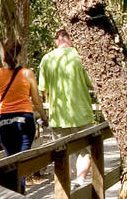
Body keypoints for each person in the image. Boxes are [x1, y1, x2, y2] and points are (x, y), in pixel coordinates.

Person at [37, 28, 96, 182]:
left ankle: (67, 191)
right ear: (70, 38)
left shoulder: (46, 59)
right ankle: (81, 180)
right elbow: (91, 84)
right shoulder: (80, 56)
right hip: (81, 113)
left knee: (62, 153)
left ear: (57, 41)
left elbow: (44, 89)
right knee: (85, 151)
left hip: (58, 115)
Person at [0, 39, 46, 193]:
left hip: (4, 122)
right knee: (21, 161)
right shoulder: (27, 74)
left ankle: (15, 195)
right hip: (24, 120)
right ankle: (19, 196)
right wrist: (44, 117)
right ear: (19, 55)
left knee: (11, 161)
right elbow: (37, 100)